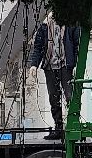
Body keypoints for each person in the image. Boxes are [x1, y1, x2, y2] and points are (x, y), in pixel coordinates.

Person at [28, 11, 81, 140]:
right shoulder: (45, 25)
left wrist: (75, 64)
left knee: (70, 96)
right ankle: (58, 128)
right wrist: (34, 64)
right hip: (50, 65)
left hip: (66, 65)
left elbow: (76, 44)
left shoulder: (71, 23)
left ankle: (74, 125)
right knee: (54, 97)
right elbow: (38, 47)